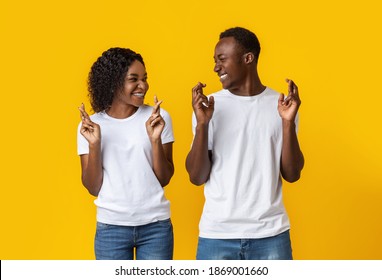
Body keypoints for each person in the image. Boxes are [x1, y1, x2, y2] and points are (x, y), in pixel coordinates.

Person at [186, 27, 304, 260]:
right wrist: (202, 124)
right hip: (217, 234)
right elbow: (196, 177)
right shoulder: (209, 107)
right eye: (215, 61)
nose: (215, 67)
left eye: (221, 59)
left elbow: (292, 174)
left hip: (271, 233)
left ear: (248, 58)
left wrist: (288, 123)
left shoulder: (281, 105)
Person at [77, 47, 175, 260]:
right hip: (111, 228)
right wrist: (94, 145)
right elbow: (93, 187)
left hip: (155, 227)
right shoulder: (91, 126)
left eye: (144, 78)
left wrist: (155, 139)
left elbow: (164, 178)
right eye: (134, 79)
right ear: (113, 83)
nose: (143, 86)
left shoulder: (158, 117)